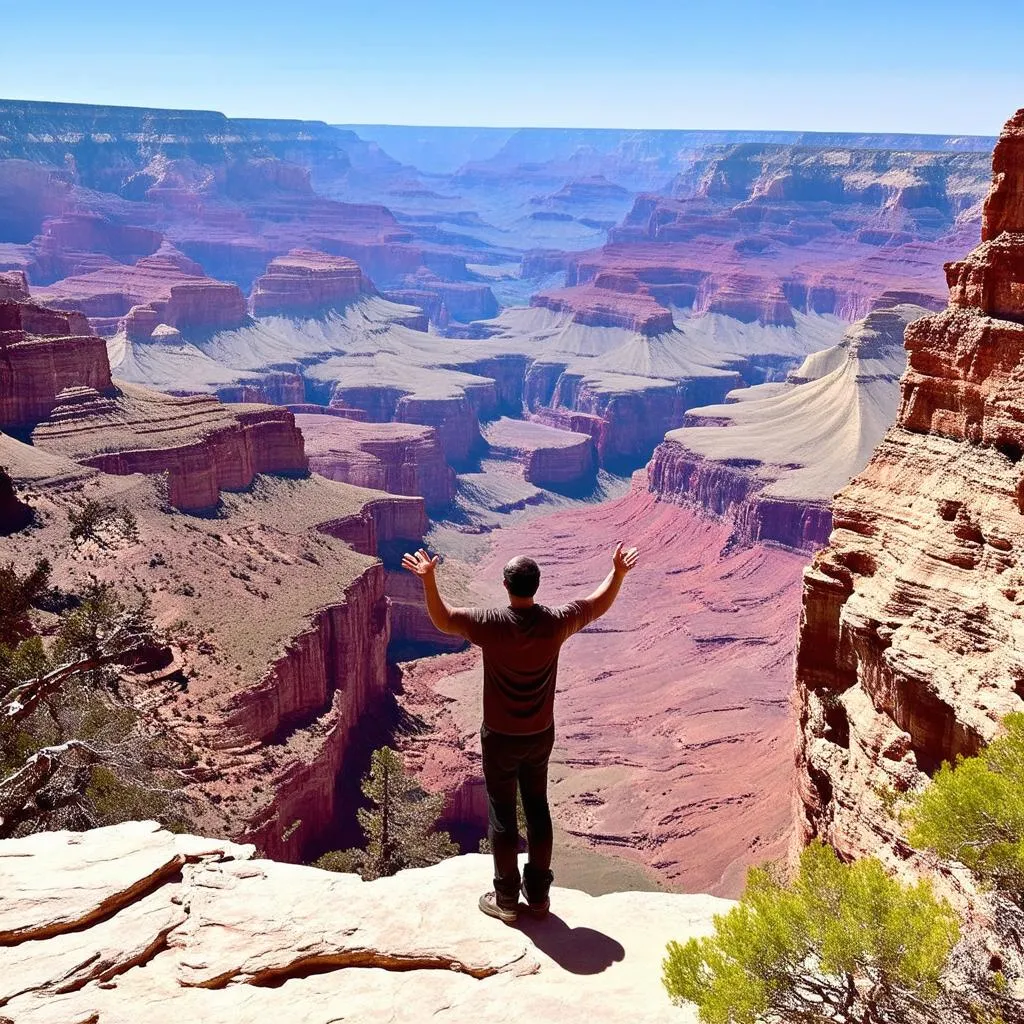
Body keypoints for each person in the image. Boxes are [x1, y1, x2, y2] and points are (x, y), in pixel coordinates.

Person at [401, 542, 640, 924]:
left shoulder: (491, 623)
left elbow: (444, 620)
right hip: (540, 734)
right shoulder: (556, 622)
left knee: (501, 812)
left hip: (499, 736)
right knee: (537, 807)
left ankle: (507, 899)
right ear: (537, 585)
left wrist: (429, 580)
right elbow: (596, 605)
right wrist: (618, 573)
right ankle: (540, 896)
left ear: (505, 584)